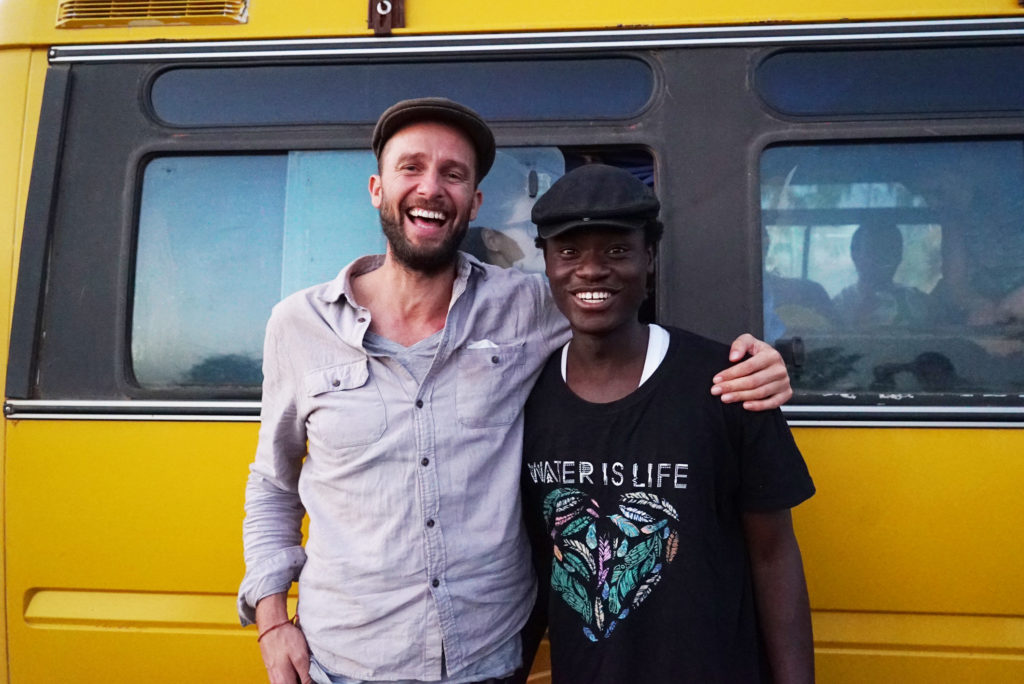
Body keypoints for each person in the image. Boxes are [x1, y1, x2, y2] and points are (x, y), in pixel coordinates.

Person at [238, 97, 794, 684]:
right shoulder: (298, 326)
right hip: (344, 662)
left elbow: (616, 315)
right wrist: (272, 617)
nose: (431, 188)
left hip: (489, 662)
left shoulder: (527, 307)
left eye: (453, 174)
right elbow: (273, 484)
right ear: (377, 188)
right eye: (411, 168)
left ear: (473, 202)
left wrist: (763, 360)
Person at [521, 164, 815, 683]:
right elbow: (539, 565)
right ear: (545, 263)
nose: (591, 270)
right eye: (568, 253)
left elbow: (774, 554)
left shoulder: (728, 385)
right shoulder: (526, 398)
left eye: (616, 251)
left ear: (649, 257)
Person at [832, 220, 931, 328]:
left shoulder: (917, 301)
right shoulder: (840, 306)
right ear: (855, 254)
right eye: (874, 250)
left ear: (899, 256)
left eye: (890, 251)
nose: (883, 259)